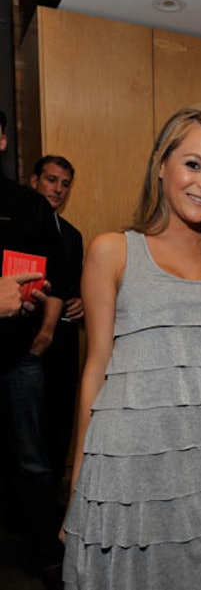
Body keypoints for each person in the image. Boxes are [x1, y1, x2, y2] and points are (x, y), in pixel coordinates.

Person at [62, 104, 201, 589]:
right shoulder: (112, 250)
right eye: (193, 164)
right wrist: (77, 487)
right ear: (161, 166)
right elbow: (96, 370)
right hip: (126, 470)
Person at [0, 110, 66, 589]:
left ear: (3, 139)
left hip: (19, 359)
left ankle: (46, 553)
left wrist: (43, 333)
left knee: (32, 460)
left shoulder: (28, 206)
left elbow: (56, 280)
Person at [30, 155, 84, 491]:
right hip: (23, 343)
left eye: (65, 184)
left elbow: (74, 287)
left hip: (63, 345)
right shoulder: (12, 226)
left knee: (59, 423)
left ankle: (51, 507)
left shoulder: (73, 236)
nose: (59, 189)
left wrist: (82, 303)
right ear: (34, 181)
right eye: (52, 180)